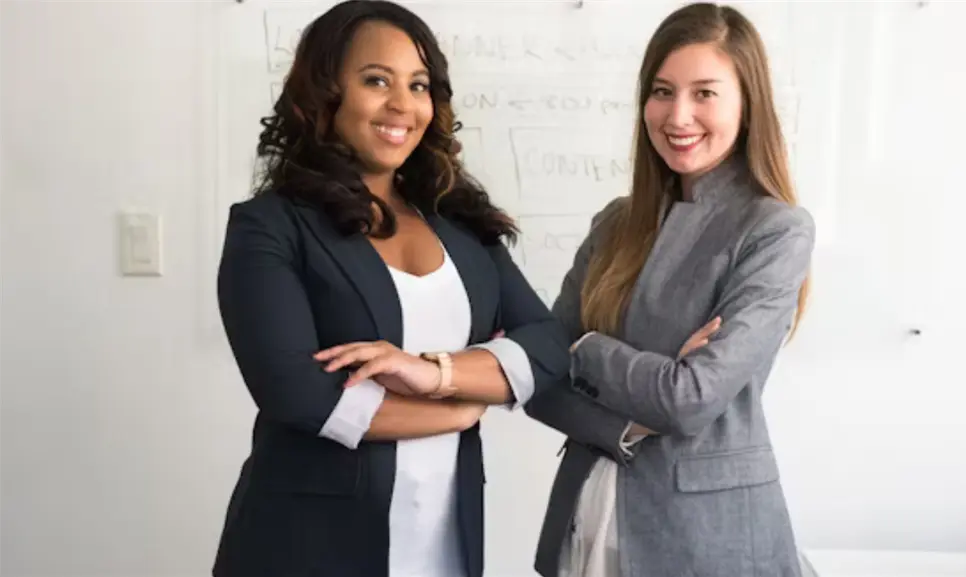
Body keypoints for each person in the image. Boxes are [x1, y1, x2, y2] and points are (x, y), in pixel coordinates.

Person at [210, 1, 570, 576]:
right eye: (377, 80)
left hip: (445, 544)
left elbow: (548, 345)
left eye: (419, 85)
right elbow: (297, 394)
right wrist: (456, 413)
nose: (403, 105)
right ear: (325, 94)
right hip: (308, 546)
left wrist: (439, 375)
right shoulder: (271, 226)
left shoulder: (461, 226)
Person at [524, 3, 815, 577]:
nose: (678, 115)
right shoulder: (615, 223)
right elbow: (536, 376)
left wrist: (587, 350)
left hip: (707, 537)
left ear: (746, 102)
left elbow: (689, 400)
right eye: (662, 91)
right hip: (588, 512)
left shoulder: (776, 229)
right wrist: (625, 424)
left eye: (704, 93)